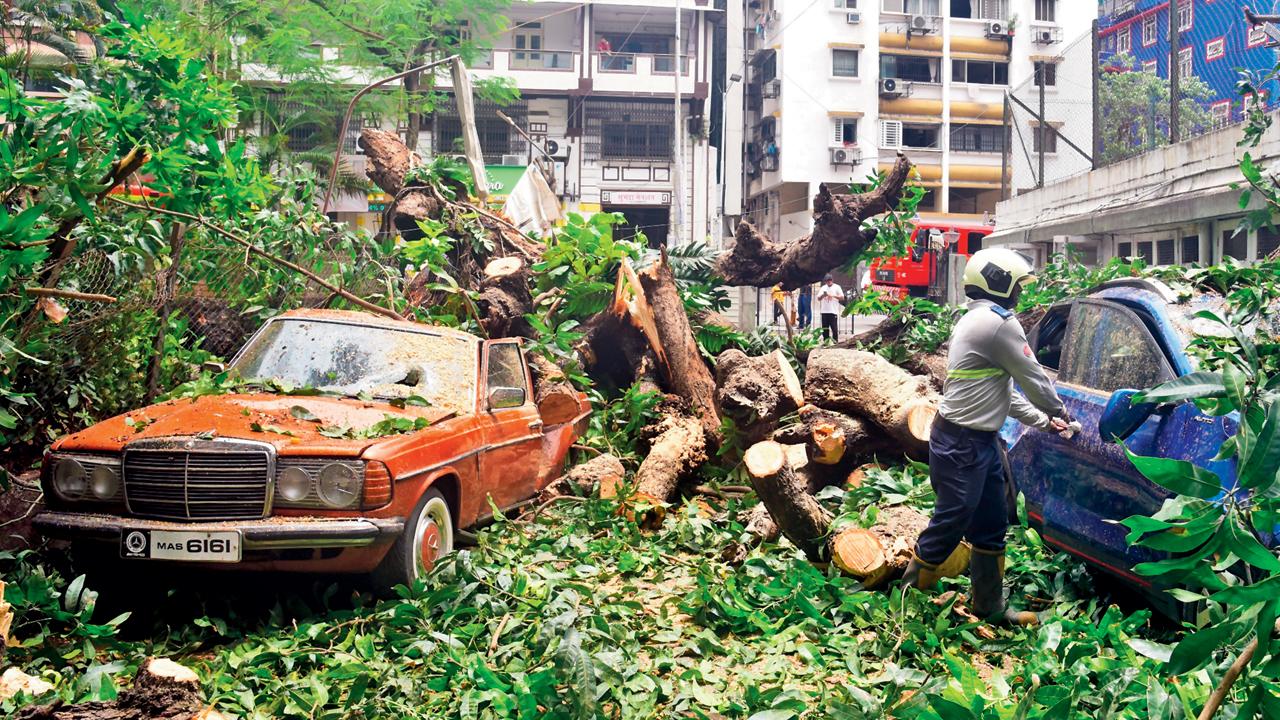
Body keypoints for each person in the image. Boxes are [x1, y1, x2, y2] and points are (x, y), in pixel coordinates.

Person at [899, 248, 1071, 627]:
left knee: (993, 519)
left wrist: (1044, 421)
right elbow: (1034, 379)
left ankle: (989, 606)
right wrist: (1059, 411)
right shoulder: (999, 324)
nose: (1020, 295)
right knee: (953, 518)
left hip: (978, 442)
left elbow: (1002, 394)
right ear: (1000, 282)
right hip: (961, 443)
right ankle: (906, 600)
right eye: (1017, 286)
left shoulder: (977, 320)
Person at [816, 274, 844, 342]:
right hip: (824, 311)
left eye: (830, 280)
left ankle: (835, 341)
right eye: (827, 281)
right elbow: (818, 298)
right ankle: (826, 341)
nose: (829, 282)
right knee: (825, 329)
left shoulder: (837, 287)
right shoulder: (823, 288)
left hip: (833, 311)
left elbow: (842, 298)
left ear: (832, 280)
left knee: (834, 328)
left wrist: (833, 296)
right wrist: (823, 295)